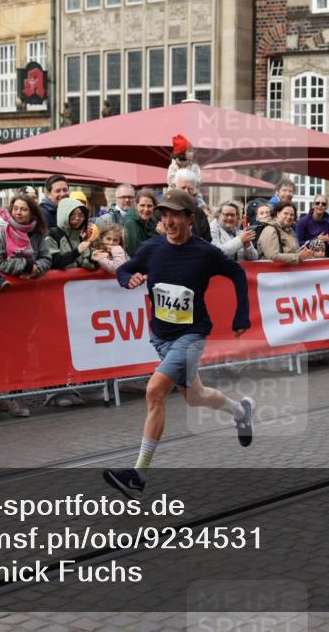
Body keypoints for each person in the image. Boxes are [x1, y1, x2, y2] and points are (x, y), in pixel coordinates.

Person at [103, 188, 253, 500]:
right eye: (164, 215)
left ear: (188, 218)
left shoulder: (205, 252)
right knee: (195, 397)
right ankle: (240, 412)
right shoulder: (152, 248)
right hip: (160, 336)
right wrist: (125, 279)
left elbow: (237, 273)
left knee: (154, 391)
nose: (168, 220)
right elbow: (126, 268)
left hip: (192, 335)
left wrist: (241, 315)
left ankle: (138, 476)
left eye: (174, 215)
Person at [0, 195, 52, 279]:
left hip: (32, 288)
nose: (18, 212)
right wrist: (25, 265)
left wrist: (36, 268)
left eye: (24, 209)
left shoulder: (36, 232)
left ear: (32, 213)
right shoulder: (0, 232)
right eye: (15, 208)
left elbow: (46, 258)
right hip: (5, 288)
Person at [258, 201, 322, 264]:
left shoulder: (290, 230)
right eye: (285, 213)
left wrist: (305, 253)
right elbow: (272, 255)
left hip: (286, 272)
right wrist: (298, 257)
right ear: (278, 214)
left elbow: (295, 251)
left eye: (292, 215)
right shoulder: (270, 230)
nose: (289, 217)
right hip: (269, 272)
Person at [48, 197, 98, 270]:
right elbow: (52, 263)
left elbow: (85, 264)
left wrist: (93, 259)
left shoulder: (79, 238)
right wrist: (76, 252)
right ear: (64, 215)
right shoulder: (53, 235)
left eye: (81, 215)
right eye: (72, 214)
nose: (77, 218)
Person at [168, 169, 212, 242]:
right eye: (183, 187)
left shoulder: (199, 213)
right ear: (176, 187)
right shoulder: (163, 210)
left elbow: (207, 240)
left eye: (190, 188)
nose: (186, 191)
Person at [124, 189, 159, 256]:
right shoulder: (130, 222)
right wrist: (161, 235)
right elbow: (136, 252)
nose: (146, 209)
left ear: (154, 207)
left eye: (149, 206)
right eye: (142, 205)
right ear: (136, 205)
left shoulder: (152, 221)